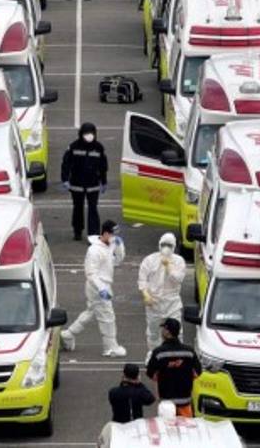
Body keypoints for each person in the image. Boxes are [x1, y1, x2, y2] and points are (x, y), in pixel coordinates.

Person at [60, 220, 126, 357]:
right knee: (107, 317)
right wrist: (101, 289)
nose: (115, 237)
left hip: (105, 285)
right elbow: (91, 273)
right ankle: (110, 347)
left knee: (91, 312)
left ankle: (68, 334)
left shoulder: (110, 245)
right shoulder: (94, 250)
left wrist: (119, 247)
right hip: (97, 287)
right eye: (113, 234)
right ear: (106, 233)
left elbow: (117, 261)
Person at [138, 233, 186, 351]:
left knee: (177, 331)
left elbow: (178, 279)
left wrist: (168, 266)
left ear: (174, 246)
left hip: (172, 302)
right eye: (163, 244)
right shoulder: (149, 260)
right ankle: (153, 353)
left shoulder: (179, 261)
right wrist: (145, 294)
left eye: (169, 245)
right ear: (159, 244)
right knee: (153, 331)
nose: (166, 247)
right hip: (154, 302)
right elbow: (142, 279)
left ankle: (177, 354)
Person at [61, 121, 108, 239]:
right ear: (81, 134)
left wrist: (104, 181)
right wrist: (65, 179)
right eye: (86, 133)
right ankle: (77, 231)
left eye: (91, 133)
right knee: (78, 208)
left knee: (93, 209)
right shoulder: (73, 146)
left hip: (93, 185)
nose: (89, 136)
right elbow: (66, 163)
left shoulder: (99, 148)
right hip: (77, 185)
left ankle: (94, 235)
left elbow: (103, 166)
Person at [146, 318, 201, 417]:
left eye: (164, 329)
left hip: (166, 404)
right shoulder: (189, 352)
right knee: (186, 426)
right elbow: (198, 372)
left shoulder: (159, 353)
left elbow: (150, 373)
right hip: (185, 401)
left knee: (166, 425)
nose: (162, 331)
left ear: (167, 332)